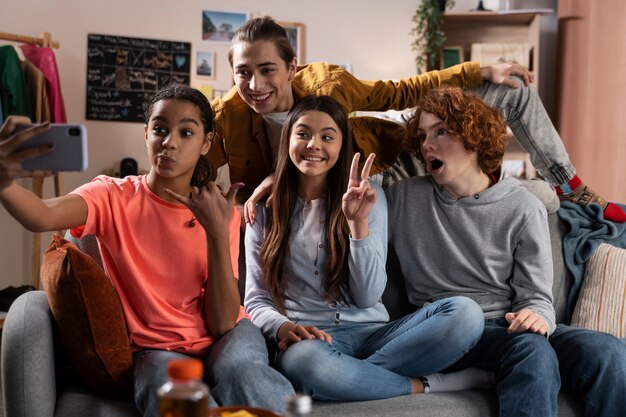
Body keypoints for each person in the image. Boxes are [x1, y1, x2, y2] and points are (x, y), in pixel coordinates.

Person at [0, 85, 294, 416]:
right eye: (159, 129)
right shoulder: (111, 196)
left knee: (245, 373)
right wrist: (4, 183)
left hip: (228, 336)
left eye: (186, 132)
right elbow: (42, 215)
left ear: (206, 143)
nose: (169, 142)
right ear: (146, 134)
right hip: (154, 349)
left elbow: (224, 322)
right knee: (172, 390)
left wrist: (215, 232)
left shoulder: (217, 210)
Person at [207, 15, 624, 223]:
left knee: (515, 89)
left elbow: (396, 91)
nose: (255, 84)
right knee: (530, 198)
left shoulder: (326, 82)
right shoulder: (226, 118)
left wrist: (477, 71)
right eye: (243, 72)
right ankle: (536, 193)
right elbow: (196, 170)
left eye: (267, 70)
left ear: (292, 67)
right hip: (363, 182)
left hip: (389, 146)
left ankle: (571, 187)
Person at [385, 86, 626, 416]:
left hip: (509, 328)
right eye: (423, 135)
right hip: (447, 331)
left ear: (473, 137)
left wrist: (537, 316)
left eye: (441, 132)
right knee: (530, 351)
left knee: (609, 352)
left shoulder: (524, 207)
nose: (427, 145)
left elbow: (537, 296)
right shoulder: (401, 198)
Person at [244, 94, 491, 402]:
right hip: (313, 340)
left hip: (376, 336)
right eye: (303, 134)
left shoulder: (368, 198)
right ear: (288, 141)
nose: (314, 144)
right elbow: (256, 299)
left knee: (465, 314)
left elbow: (367, 297)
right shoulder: (264, 209)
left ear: (341, 146)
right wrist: (282, 327)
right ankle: (426, 384)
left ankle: (348, 379)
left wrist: (357, 225)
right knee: (304, 362)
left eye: (327, 137)